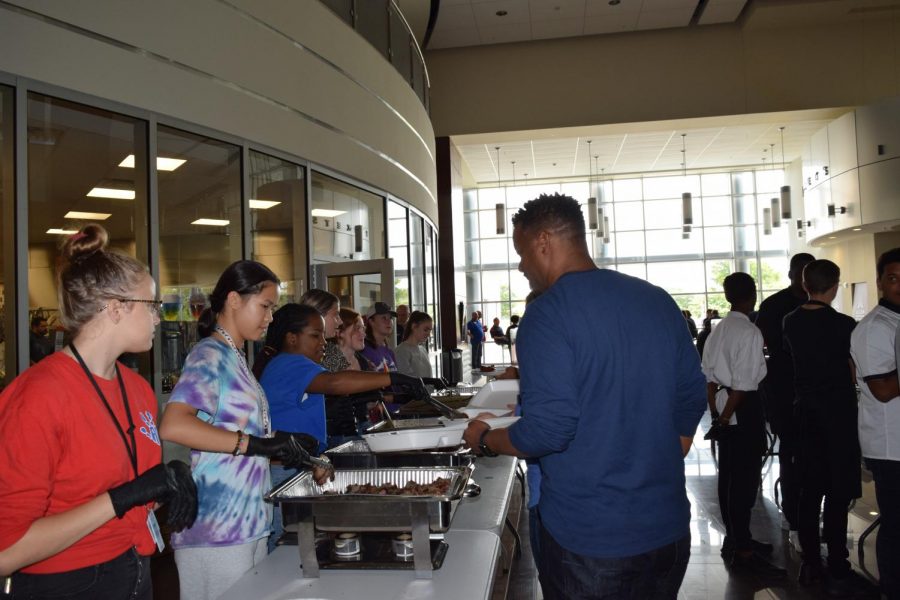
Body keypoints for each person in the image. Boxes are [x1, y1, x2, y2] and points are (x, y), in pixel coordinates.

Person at [462, 193, 706, 599]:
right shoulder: (657, 300)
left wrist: (485, 439)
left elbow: (549, 430)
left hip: (590, 541)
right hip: (667, 530)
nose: (521, 265)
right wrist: (657, 458)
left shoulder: (547, 313)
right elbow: (691, 396)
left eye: (522, 252)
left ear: (543, 241)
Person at [0, 224, 197, 597]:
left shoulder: (137, 389)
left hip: (135, 570)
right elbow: (6, 552)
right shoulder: (37, 397)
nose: (158, 318)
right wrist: (124, 497)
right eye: (151, 305)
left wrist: (167, 485)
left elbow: (129, 488)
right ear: (115, 308)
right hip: (68, 583)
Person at [158, 260, 326, 600]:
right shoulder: (209, 354)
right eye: (264, 306)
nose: (270, 318)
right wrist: (255, 446)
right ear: (234, 300)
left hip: (247, 522)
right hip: (217, 527)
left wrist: (286, 449)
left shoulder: (234, 357)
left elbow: (240, 433)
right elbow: (174, 424)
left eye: (273, 308)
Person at [254, 303, 429, 550]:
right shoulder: (288, 363)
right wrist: (394, 378)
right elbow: (335, 382)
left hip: (296, 465)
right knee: (285, 543)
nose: (323, 342)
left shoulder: (294, 364)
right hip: (284, 470)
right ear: (291, 338)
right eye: (315, 336)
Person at [783, 259, 872, 594]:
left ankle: (810, 562)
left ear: (805, 285)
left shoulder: (790, 322)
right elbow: (853, 370)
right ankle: (837, 560)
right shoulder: (845, 325)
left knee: (809, 490)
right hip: (838, 415)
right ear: (835, 286)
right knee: (837, 493)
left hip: (806, 413)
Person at [702, 272, 785, 577]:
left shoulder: (717, 329)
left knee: (728, 478)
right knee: (745, 482)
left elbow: (710, 380)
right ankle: (745, 552)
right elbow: (743, 385)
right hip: (742, 408)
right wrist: (726, 417)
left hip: (724, 407)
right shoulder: (749, 332)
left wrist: (717, 415)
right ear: (753, 296)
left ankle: (736, 540)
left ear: (727, 297)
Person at [754, 252, 815, 542]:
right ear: (792, 274)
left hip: (814, 393)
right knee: (791, 455)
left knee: (814, 454)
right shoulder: (774, 306)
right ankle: (793, 512)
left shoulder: (815, 305)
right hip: (784, 392)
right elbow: (770, 350)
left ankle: (810, 512)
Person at [851, 247, 900, 600]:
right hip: (890, 446)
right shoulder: (874, 329)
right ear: (880, 282)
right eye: (893, 278)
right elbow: (882, 389)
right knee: (897, 528)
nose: (899, 285)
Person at [298, 289, 343, 371]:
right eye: (336, 315)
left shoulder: (331, 349)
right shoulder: (295, 352)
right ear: (319, 315)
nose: (340, 321)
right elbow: (335, 381)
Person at [394, 310, 434, 378]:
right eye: (425, 330)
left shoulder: (423, 350)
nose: (428, 334)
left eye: (430, 330)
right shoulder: (401, 351)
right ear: (414, 326)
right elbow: (405, 381)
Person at [361, 302, 398, 373]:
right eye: (384, 318)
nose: (389, 321)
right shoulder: (364, 350)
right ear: (371, 321)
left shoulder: (390, 352)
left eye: (390, 318)